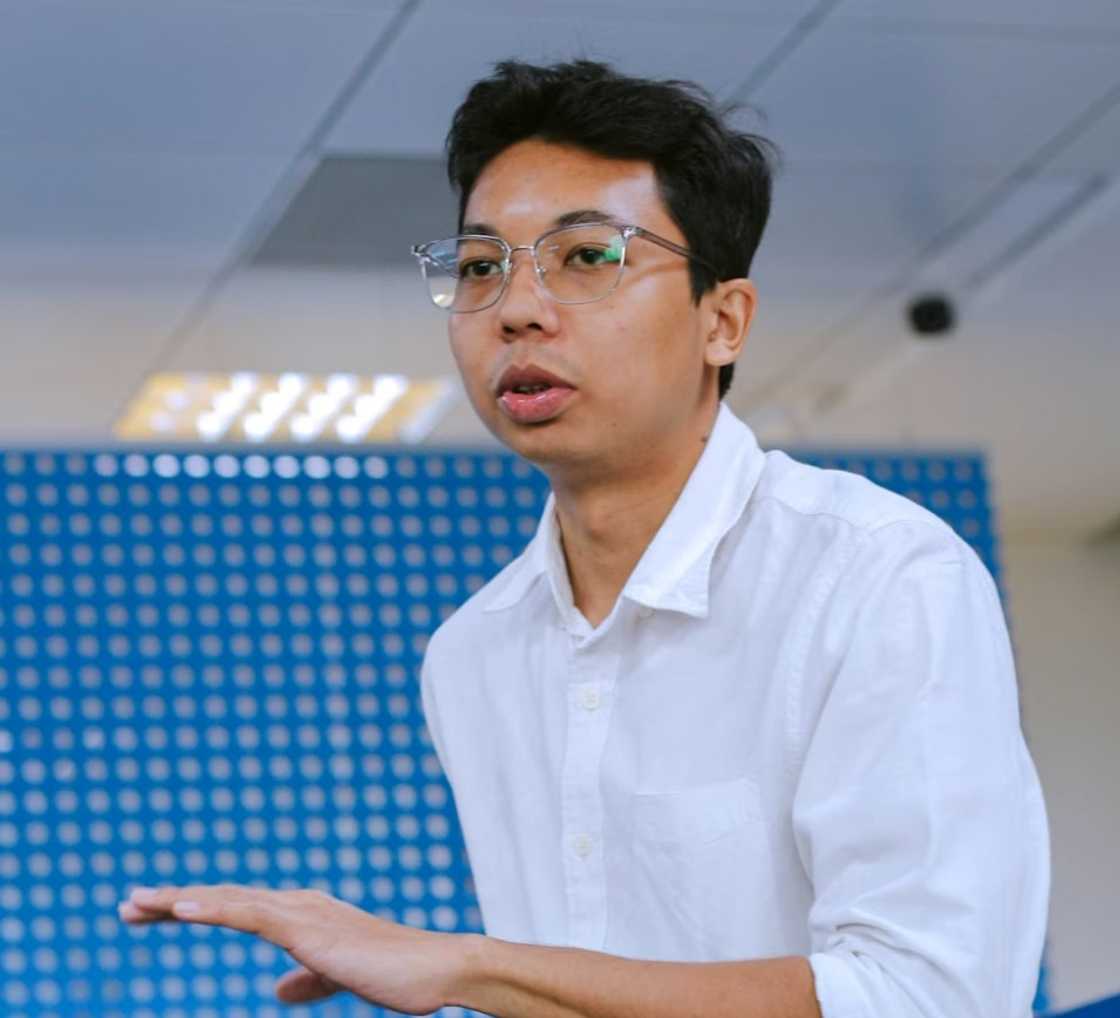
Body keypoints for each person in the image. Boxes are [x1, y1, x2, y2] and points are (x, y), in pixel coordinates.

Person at [120, 60, 1050, 1018]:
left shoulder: (876, 576)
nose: (517, 309)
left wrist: (471, 969)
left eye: (588, 257)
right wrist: (466, 977)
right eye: (481, 267)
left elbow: (932, 996)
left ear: (723, 320)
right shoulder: (472, 655)